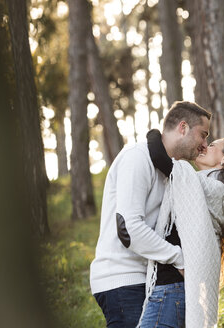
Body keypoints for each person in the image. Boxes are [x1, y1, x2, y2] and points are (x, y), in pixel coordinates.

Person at [89, 101, 211, 328]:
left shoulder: (173, 171)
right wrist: (179, 258)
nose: (205, 145)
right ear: (183, 128)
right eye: (203, 135)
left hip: (148, 279)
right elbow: (128, 229)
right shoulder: (137, 157)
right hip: (123, 279)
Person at [139, 138, 224, 328]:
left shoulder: (217, 190)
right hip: (172, 287)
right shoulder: (206, 185)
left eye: (212, 145)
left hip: (172, 289)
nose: (205, 146)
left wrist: (158, 134)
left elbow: (158, 156)